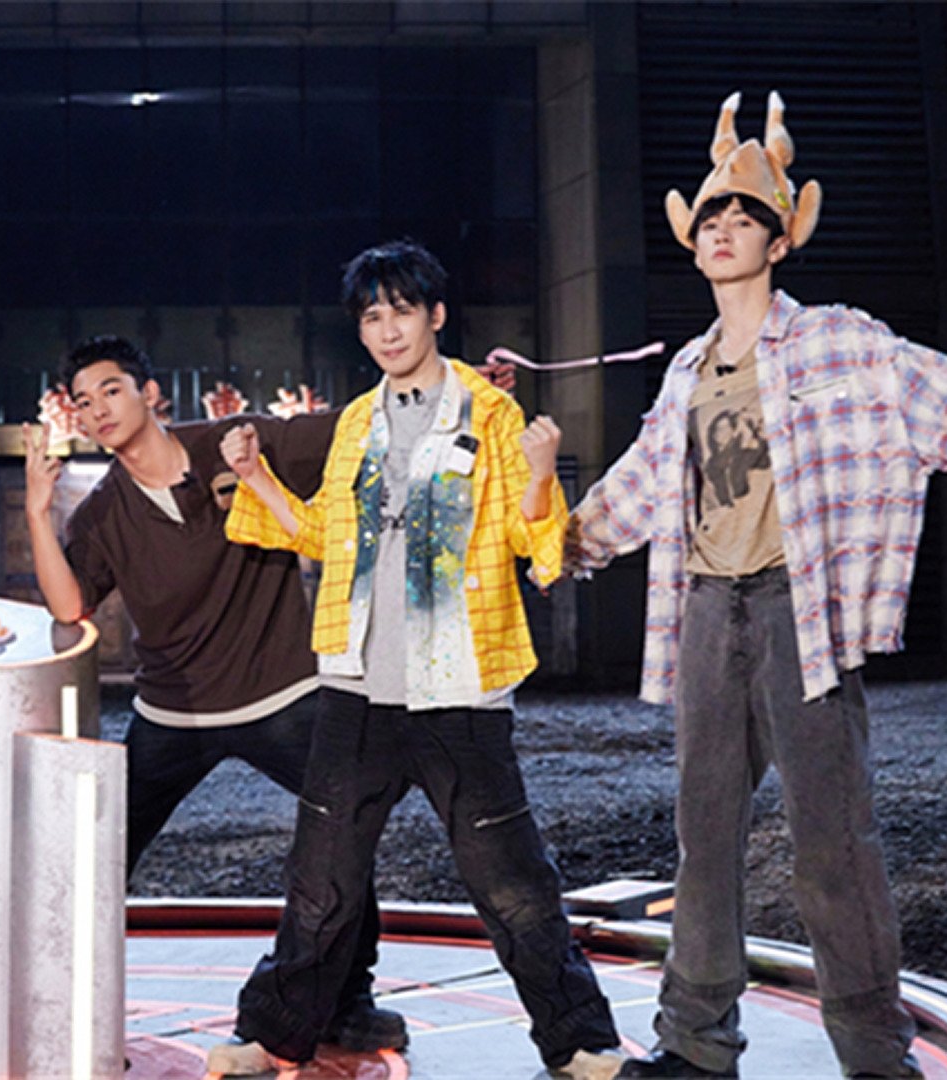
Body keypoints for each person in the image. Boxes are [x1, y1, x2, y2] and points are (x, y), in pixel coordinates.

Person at [570, 93, 947, 1079]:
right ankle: (695, 1048)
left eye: (744, 219)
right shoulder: (686, 372)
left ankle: (877, 1058)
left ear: (780, 241)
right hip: (706, 611)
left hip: (797, 612)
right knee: (703, 842)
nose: (723, 231)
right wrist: (561, 540)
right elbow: (639, 485)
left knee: (831, 846)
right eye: (710, 219)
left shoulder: (840, 344)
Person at [207, 239, 624, 1079]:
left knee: (513, 883)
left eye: (402, 311)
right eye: (371, 316)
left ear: (436, 315)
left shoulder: (490, 413)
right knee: (321, 877)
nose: (388, 330)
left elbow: (531, 542)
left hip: (459, 687)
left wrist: (541, 473)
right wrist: (254, 478)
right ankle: (274, 1033)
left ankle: (578, 1042)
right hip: (358, 685)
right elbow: (324, 534)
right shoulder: (357, 421)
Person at [20, 335, 409, 1055]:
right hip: (172, 712)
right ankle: (59, 1005)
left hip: (281, 693)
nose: (98, 409)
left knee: (345, 830)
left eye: (111, 390)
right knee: (95, 851)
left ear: (150, 394)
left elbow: (354, 426)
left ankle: (349, 998)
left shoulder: (236, 444)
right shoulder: (101, 514)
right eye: (84, 401)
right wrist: (38, 512)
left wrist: (436, 384)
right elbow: (70, 606)